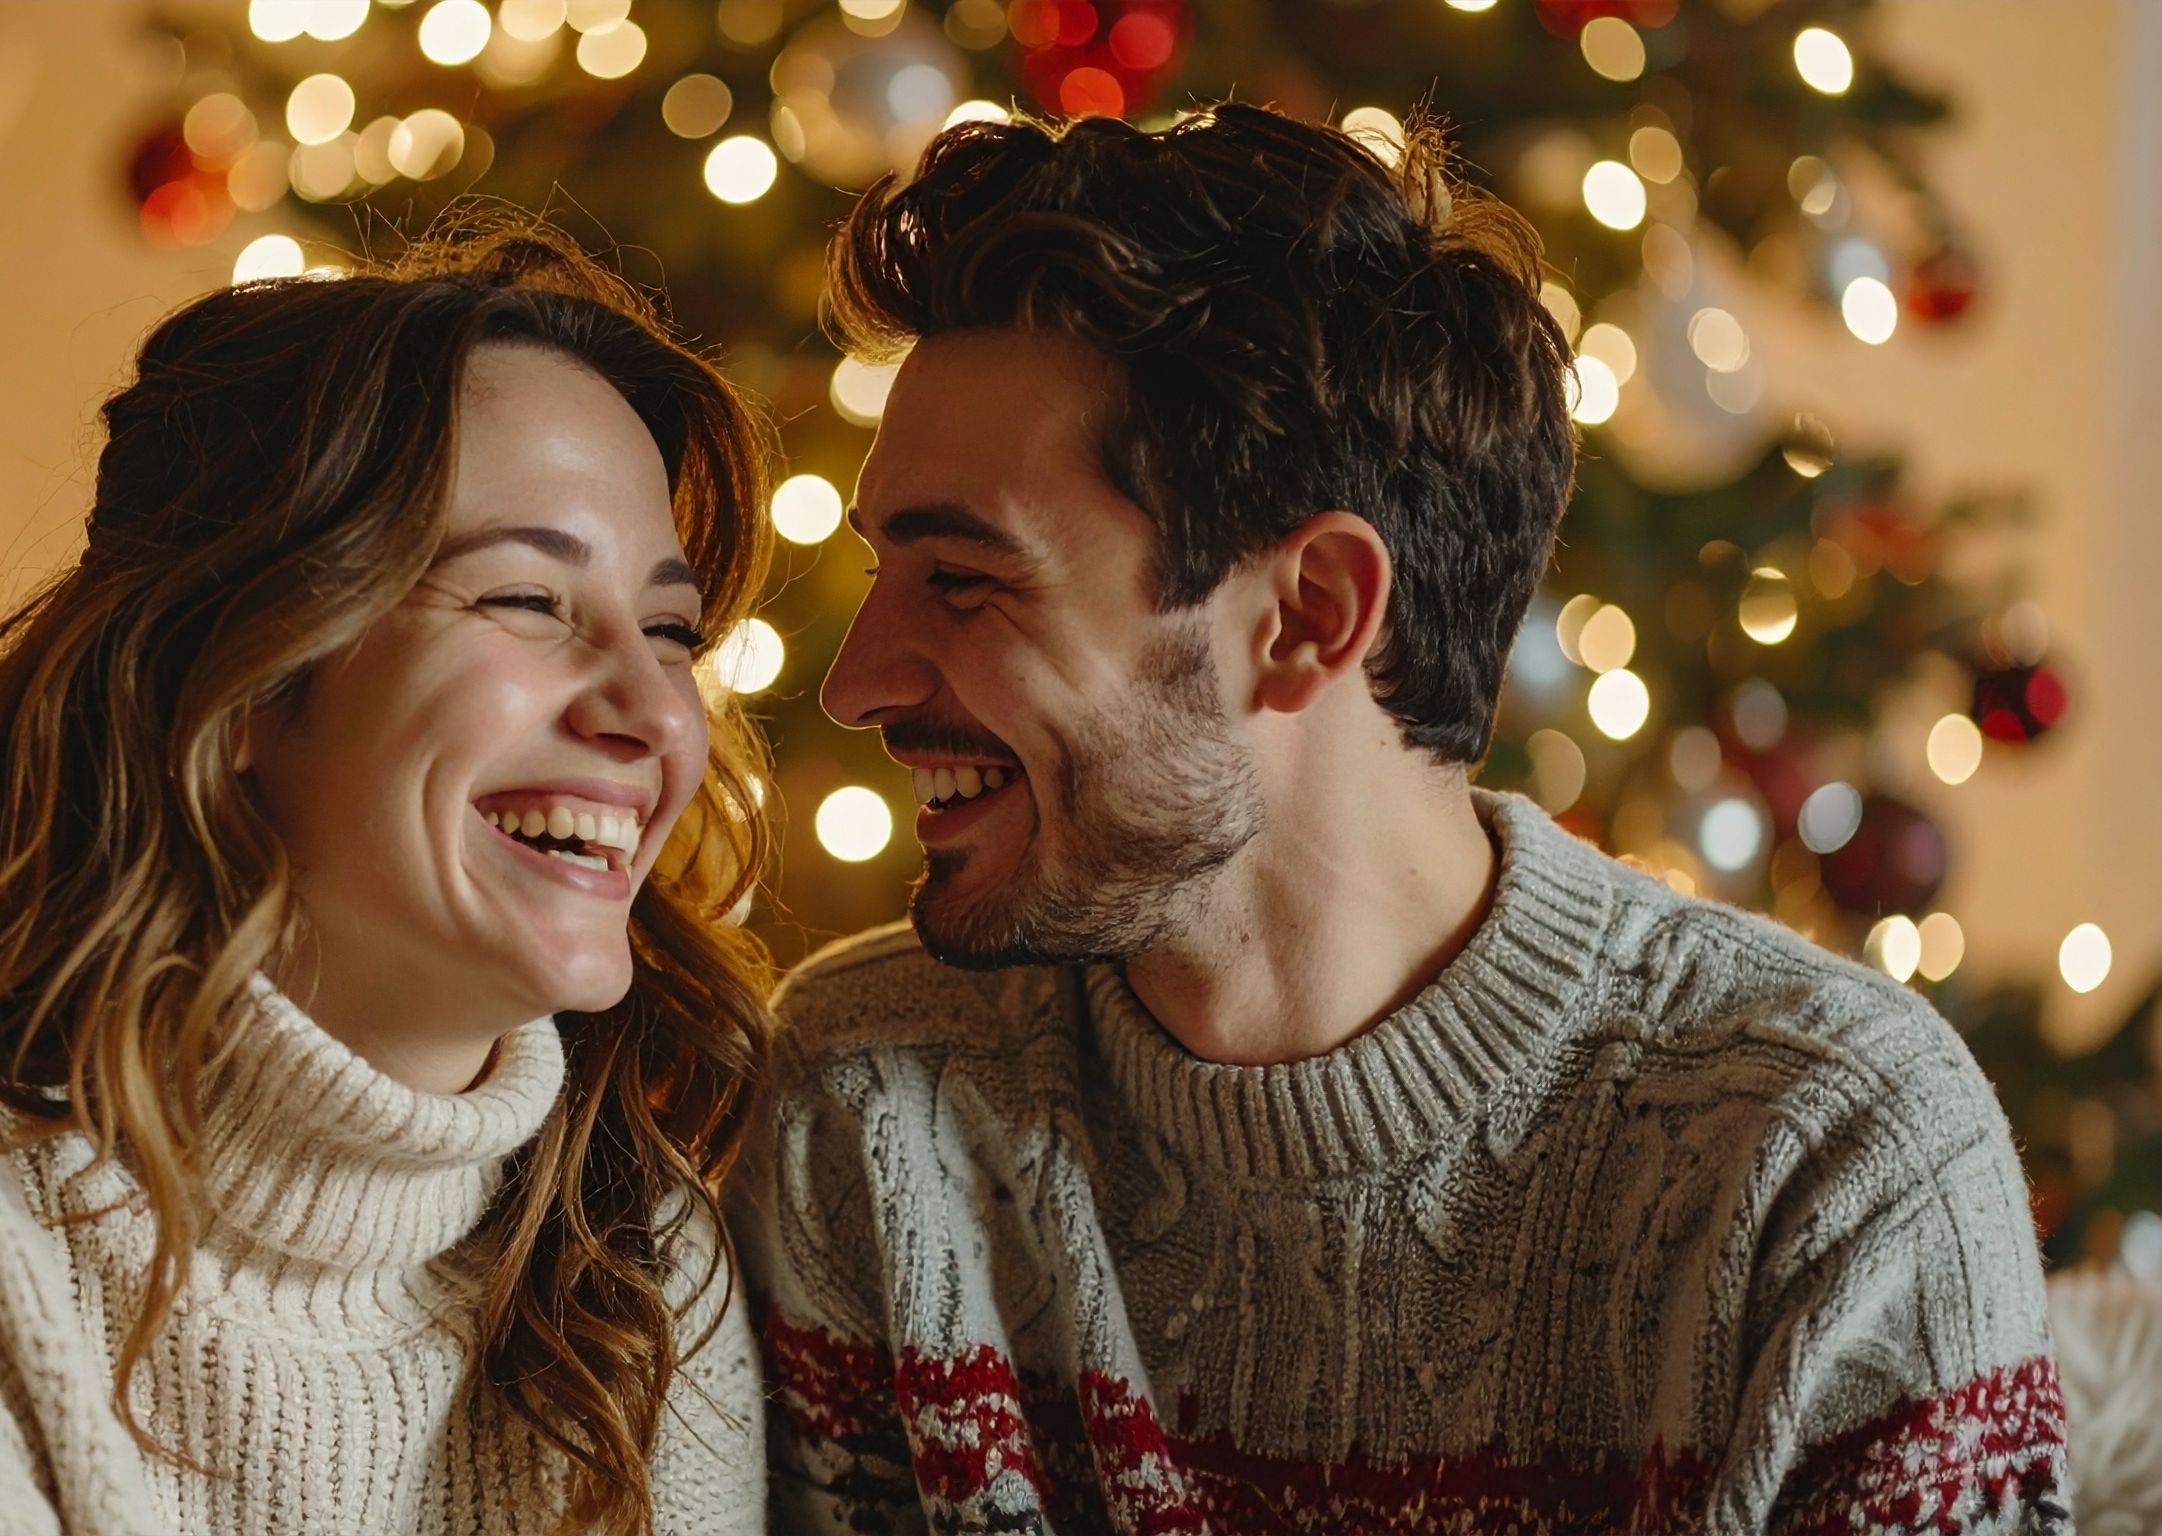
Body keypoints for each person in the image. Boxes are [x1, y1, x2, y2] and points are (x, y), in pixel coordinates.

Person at [735, 107, 2070, 1534]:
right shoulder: (869, 1101)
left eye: (965, 579)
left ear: (1307, 617)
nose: (858, 681)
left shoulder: (1830, 1160)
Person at [0, 219, 777, 1536]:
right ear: (239, 674)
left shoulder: (639, 1261)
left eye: (670, 632)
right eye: (525, 602)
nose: (652, 718)